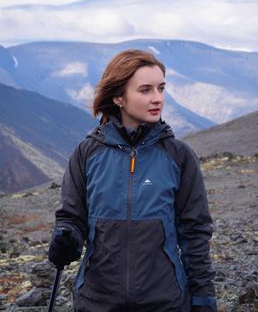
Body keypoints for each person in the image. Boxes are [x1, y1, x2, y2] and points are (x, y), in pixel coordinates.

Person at [48, 49, 217, 312]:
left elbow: (195, 234)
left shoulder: (179, 157)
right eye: (145, 90)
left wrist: (204, 300)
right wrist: (66, 238)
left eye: (161, 88)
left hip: (165, 302)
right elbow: (71, 217)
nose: (157, 98)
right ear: (118, 97)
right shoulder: (87, 153)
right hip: (97, 302)